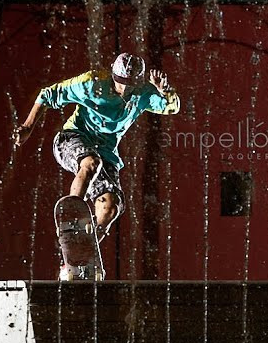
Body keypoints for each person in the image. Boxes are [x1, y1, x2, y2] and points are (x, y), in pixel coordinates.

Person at [12, 52, 180, 250]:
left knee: (111, 206)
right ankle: (70, 218)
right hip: (71, 139)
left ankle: (81, 253)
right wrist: (28, 127)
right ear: (112, 75)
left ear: (139, 81)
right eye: (120, 82)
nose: (124, 89)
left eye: (130, 84)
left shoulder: (143, 93)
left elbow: (172, 107)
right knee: (91, 162)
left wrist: (165, 90)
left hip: (106, 152)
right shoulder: (92, 82)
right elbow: (48, 94)